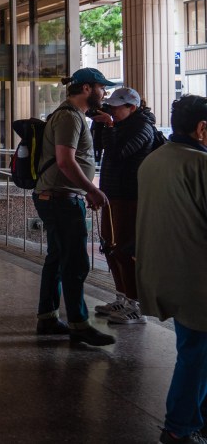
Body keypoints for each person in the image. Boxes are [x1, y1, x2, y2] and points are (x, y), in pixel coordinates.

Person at [137, 95, 207, 444]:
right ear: (202, 129)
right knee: (197, 354)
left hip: (165, 272)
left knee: (194, 349)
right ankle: (179, 426)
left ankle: (196, 418)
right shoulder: (201, 165)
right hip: (197, 278)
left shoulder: (154, 160)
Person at [32, 67, 114, 346]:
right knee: (76, 262)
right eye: (102, 87)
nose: (105, 93)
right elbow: (65, 161)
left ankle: (48, 318)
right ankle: (79, 324)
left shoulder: (74, 116)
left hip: (57, 197)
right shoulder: (69, 117)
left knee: (57, 258)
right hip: (61, 198)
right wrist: (92, 189)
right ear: (87, 88)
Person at [90, 87, 158, 325]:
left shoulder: (143, 127)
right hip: (111, 193)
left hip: (130, 196)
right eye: (111, 107)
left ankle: (135, 304)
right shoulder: (117, 125)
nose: (113, 111)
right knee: (108, 246)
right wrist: (100, 125)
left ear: (132, 107)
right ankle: (121, 296)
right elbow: (99, 149)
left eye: (118, 107)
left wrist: (109, 126)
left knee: (124, 249)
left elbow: (119, 154)